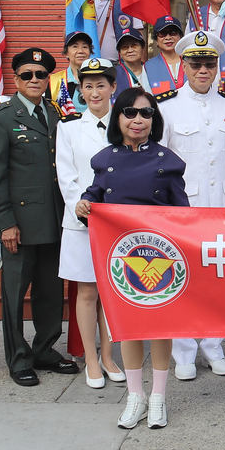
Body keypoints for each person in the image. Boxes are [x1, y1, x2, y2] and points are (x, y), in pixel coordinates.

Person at [77, 87, 188, 429]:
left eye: (145, 113)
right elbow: (94, 194)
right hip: (122, 258)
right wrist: (83, 204)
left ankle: (158, 397)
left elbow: (183, 212)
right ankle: (135, 396)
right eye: (129, 112)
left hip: (160, 259)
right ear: (118, 118)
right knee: (126, 328)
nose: (138, 120)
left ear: (154, 119)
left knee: (159, 327)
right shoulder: (105, 159)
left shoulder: (166, 161)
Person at [0, 48, 78, 387]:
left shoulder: (55, 113)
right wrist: (5, 222)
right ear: (17, 80)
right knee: (14, 293)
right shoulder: (2, 117)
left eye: (40, 75)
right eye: (27, 75)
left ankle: (45, 349)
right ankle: (19, 357)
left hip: (53, 219)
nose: (34, 80)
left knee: (51, 292)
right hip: (19, 225)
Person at [160, 30, 225, 380]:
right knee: (183, 279)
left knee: (218, 280)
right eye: (195, 64)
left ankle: (214, 345)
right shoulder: (166, 108)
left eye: (209, 63)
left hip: (222, 205)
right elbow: (158, 164)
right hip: (184, 209)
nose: (202, 70)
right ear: (184, 66)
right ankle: (184, 352)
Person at [54, 57, 126, 388]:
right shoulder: (68, 127)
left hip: (119, 222)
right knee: (86, 291)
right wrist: (80, 206)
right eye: (88, 86)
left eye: (101, 85)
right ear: (80, 90)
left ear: (113, 87)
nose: (94, 92)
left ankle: (110, 356)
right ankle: (91, 360)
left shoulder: (127, 124)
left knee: (113, 291)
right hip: (82, 222)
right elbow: (66, 176)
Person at [49, 30, 93, 110]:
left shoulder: (98, 77)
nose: (80, 51)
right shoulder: (55, 81)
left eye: (85, 47)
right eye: (75, 46)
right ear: (66, 53)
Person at [143, 16, 187, 95]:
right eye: (162, 34)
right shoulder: (148, 67)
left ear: (180, 37)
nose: (168, 37)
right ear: (156, 40)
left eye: (173, 33)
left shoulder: (192, 61)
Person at [114, 27, 147, 95]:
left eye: (134, 46)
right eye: (125, 47)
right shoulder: (114, 75)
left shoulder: (152, 70)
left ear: (142, 48)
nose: (130, 50)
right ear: (120, 53)